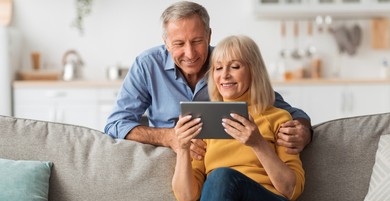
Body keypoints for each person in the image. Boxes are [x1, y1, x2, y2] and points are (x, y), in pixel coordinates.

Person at [104, 1, 312, 158]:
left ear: (209, 36)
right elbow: (116, 124)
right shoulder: (147, 65)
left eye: (197, 41)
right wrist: (169, 137)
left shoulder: (227, 65)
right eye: (178, 44)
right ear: (166, 43)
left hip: (225, 164)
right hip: (173, 166)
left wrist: (303, 131)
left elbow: (289, 111)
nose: (190, 53)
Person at [172, 35, 305, 201]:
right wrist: (183, 149)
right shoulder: (205, 122)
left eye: (234, 67)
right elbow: (186, 197)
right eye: (218, 68)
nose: (224, 75)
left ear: (254, 71)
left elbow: (291, 190)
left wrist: (258, 144)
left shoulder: (279, 118)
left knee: (222, 176)